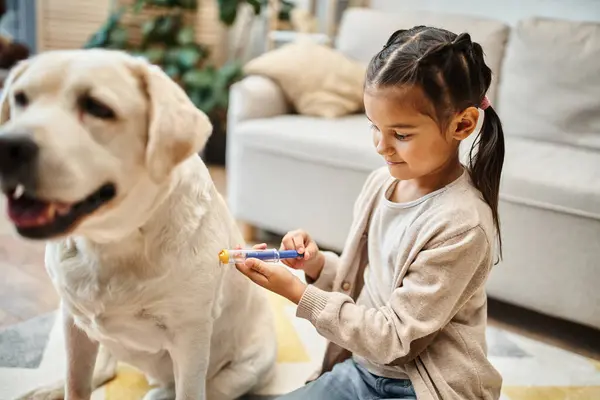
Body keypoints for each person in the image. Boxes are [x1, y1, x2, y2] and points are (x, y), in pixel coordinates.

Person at [235, 25, 505, 400]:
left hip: (427, 387)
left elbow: (394, 338)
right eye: (375, 128)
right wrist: (314, 267)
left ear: (462, 124)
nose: (382, 146)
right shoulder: (382, 184)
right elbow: (368, 285)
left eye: (401, 134)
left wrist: (299, 295)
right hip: (363, 371)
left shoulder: (462, 225)